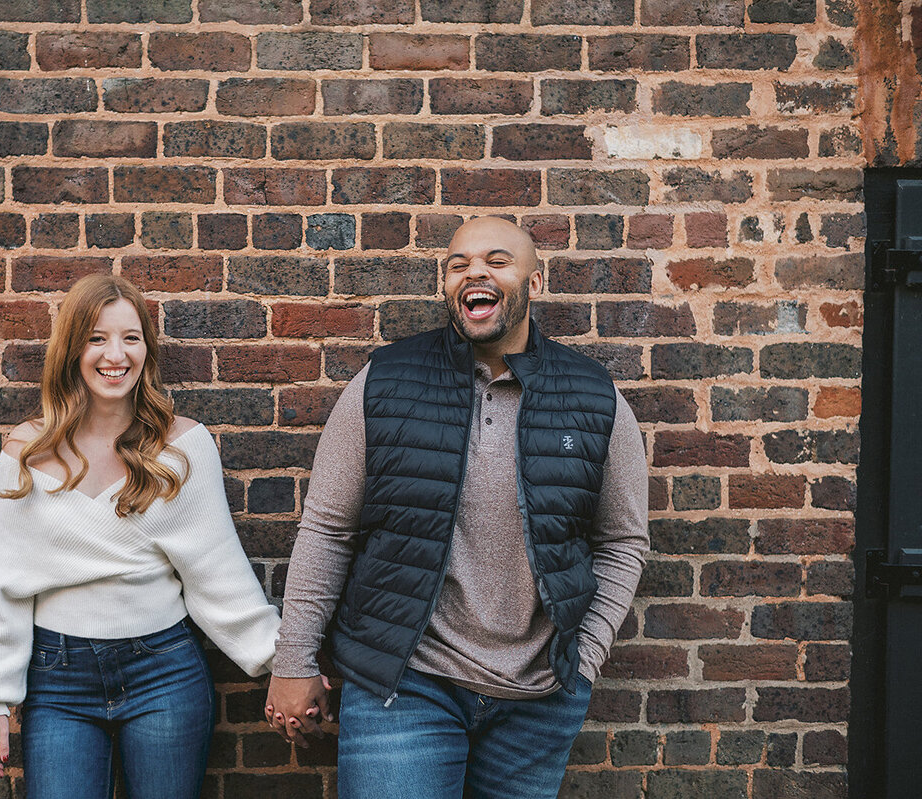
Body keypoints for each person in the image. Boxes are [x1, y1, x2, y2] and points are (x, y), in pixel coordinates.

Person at [265, 216, 649, 798]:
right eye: (458, 264)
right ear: (447, 284)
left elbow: (623, 542)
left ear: (534, 283)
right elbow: (327, 529)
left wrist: (585, 658)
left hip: (539, 700)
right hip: (404, 683)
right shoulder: (385, 381)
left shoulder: (593, 397)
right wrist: (293, 660)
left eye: (497, 261)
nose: (475, 273)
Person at [0, 274, 281, 799]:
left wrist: (286, 664)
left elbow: (218, 574)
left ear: (147, 349)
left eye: (130, 337)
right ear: (71, 349)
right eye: (96, 338)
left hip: (165, 672)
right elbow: (4, 582)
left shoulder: (183, 445)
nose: (116, 354)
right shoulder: (26, 451)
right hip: (57, 679)